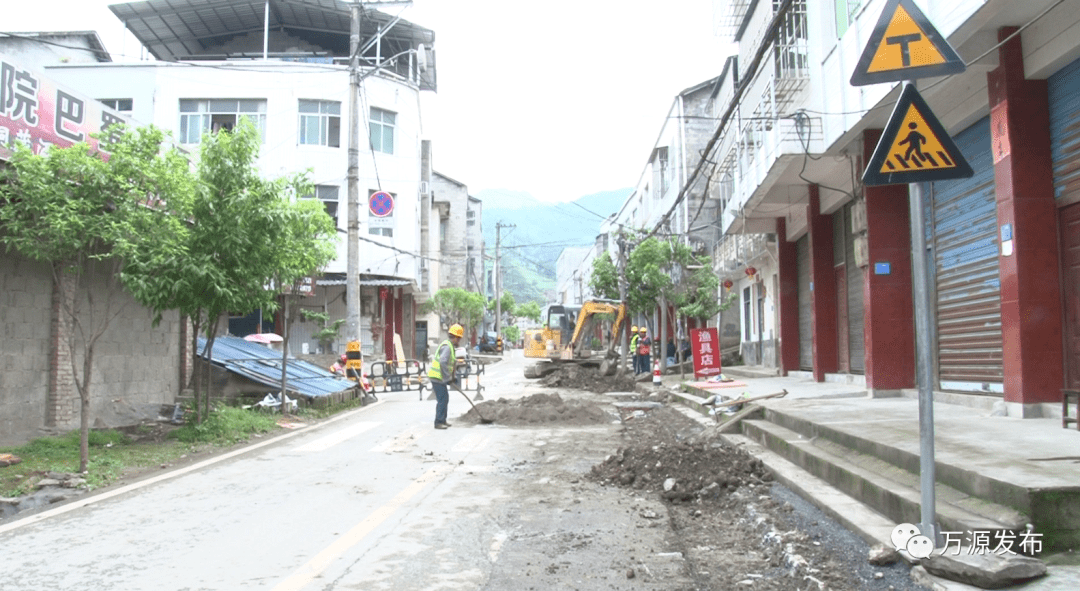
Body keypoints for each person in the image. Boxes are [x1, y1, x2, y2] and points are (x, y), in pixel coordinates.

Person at [427, 323, 464, 429]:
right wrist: (447, 377)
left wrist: (452, 378)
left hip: (439, 377)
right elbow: (443, 362)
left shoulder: (449, 345)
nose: (459, 340)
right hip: (437, 377)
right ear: (456, 338)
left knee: (444, 398)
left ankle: (442, 420)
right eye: (459, 338)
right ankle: (438, 422)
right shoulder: (447, 347)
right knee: (443, 399)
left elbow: (449, 364)